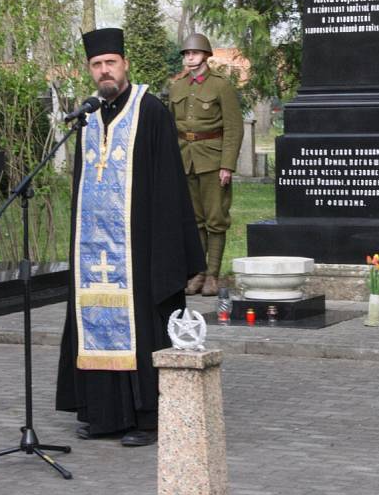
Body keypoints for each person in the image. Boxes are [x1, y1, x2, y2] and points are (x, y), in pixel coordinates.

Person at [56, 27, 204, 447]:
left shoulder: (150, 110)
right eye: (96, 65)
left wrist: (167, 250)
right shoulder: (86, 118)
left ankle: (146, 417)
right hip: (93, 248)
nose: (104, 71)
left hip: (139, 246)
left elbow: (170, 184)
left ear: (125, 65)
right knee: (93, 318)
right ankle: (103, 414)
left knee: (142, 322)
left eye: (110, 63)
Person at [169, 33, 243, 297]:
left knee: (215, 219)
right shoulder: (177, 87)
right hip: (184, 158)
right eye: (186, 54)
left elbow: (234, 128)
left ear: (205, 55)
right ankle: (198, 272)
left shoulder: (220, 86)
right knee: (195, 221)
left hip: (213, 160)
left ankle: (212, 274)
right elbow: (171, 126)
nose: (190, 57)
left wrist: (227, 165)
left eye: (194, 53)